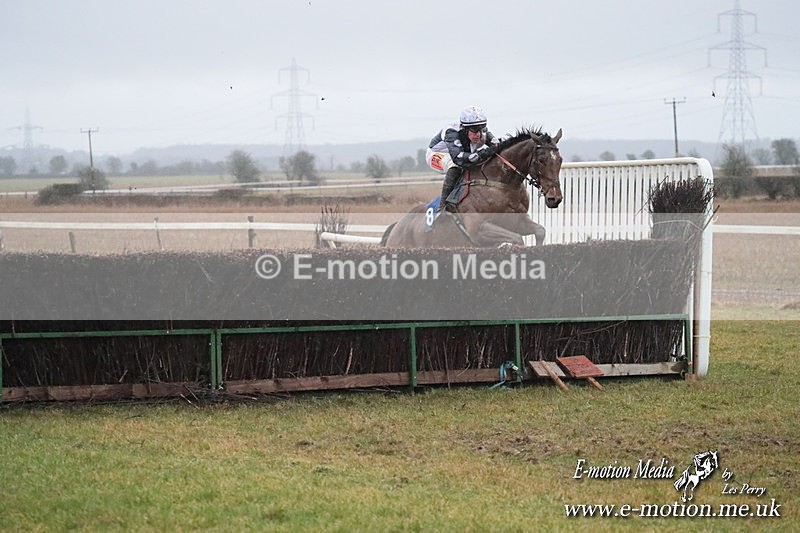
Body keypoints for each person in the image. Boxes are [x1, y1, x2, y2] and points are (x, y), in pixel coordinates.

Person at [426, 105, 500, 214]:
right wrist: (484, 153)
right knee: (455, 167)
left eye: (481, 128)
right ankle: (443, 208)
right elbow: (458, 158)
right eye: (474, 130)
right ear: (465, 128)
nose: (478, 134)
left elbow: (497, 145)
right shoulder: (451, 132)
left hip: (460, 154)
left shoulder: (482, 132)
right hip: (438, 154)